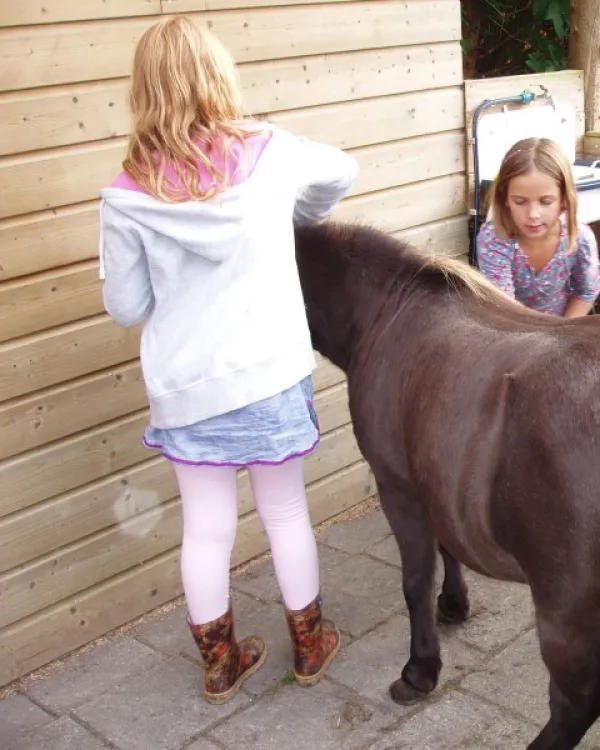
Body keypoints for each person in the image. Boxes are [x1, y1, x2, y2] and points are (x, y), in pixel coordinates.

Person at [99, 16, 359, 704]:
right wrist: (290, 217)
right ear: (220, 77)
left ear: (143, 91)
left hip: (187, 389)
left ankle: (221, 664)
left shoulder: (126, 193)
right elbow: (342, 173)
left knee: (206, 530)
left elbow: (126, 307)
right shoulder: (272, 151)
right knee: (285, 514)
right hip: (270, 375)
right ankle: (311, 647)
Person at [475, 137, 600, 317]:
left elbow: (587, 291)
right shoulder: (494, 238)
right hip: (510, 331)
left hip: (562, 331)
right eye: (520, 202)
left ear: (564, 199)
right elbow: (503, 306)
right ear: (505, 198)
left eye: (546, 201)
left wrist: (563, 332)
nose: (533, 213)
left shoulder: (580, 238)